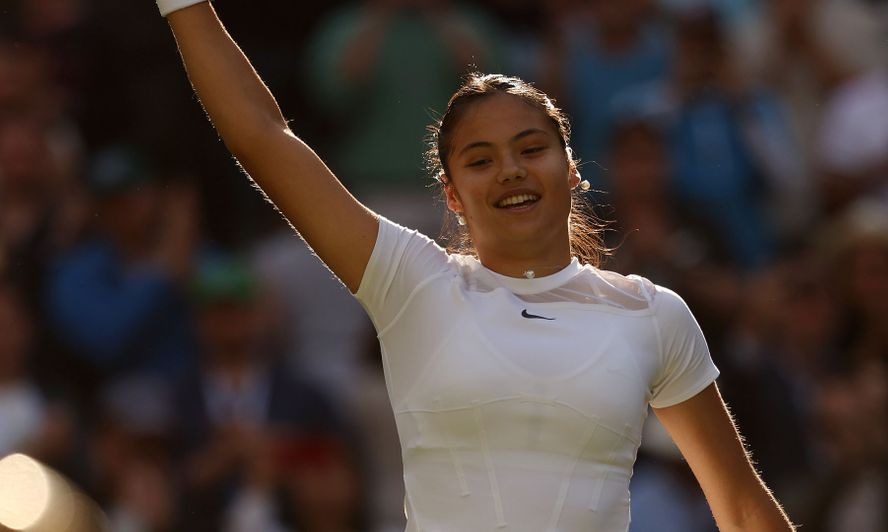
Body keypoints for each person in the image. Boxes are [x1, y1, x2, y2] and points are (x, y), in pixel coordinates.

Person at [153, 1, 795, 530]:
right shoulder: (413, 283)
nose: (511, 169)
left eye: (531, 148)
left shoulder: (653, 313)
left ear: (571, 170)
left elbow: (740, 506)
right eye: (481, 159)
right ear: (453, 196)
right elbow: (263, 135)